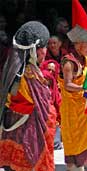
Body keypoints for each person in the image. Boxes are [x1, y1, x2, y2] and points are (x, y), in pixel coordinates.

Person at [0, 21, 56, 171]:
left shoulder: (12, 69)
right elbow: (43, 108)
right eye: (44, 47)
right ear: (35, 51)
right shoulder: (29, 75)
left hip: (12, 127)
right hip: (29, 131)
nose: (46, 51)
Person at [59, 0, 87, 170]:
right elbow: (69, 85)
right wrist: (86, 89)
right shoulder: (69, 62)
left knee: (85, 139)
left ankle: (80, 166)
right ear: (78, 44)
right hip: (73, 110)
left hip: (84, 108)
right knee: (74, 138)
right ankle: (73, 166)